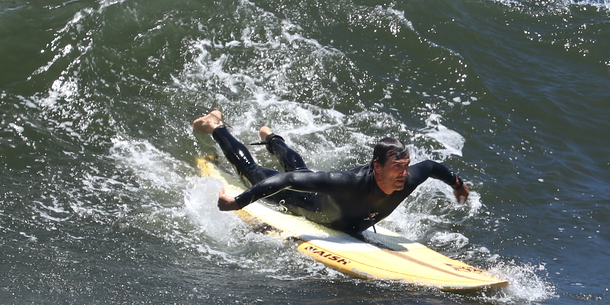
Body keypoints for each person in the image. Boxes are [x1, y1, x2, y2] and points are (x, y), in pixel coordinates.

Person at [192, 109, 470, 236]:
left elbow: (432, 167)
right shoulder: (349, 184)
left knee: (301, 168)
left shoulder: (408, 178)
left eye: (406, 166)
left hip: (326, 197)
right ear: (377, 167)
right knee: (252, 171)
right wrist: (238, 202)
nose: (404, 174)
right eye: (397, 167)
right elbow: (287, 180)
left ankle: (273, 140)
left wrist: (457, 184)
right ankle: (216, 126)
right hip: (300, 199)